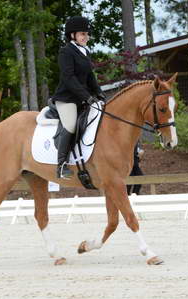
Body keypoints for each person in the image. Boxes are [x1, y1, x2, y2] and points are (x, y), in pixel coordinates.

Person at [51, 16, 106, 179]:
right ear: (72, 35)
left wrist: (99, 94)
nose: (86, 37)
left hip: (83, 98)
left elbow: (90, 77)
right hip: (66, 99)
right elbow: (68, 78)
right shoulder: (65, 52)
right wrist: (86, 96)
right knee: (71, 125)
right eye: (83, 34)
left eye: (87, 34)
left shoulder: (85, 52)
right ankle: (61, 165)